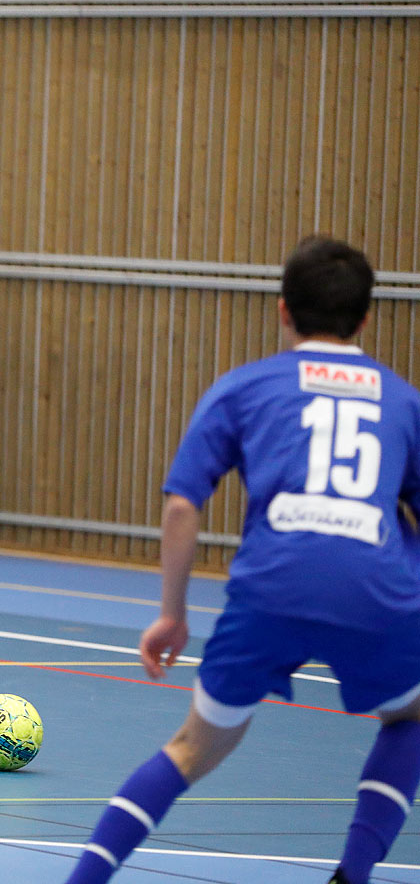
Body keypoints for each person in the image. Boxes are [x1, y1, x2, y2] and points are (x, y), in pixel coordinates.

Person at [64, 236, 420, 884]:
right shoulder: (403, 402)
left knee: (193, 748)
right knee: (411, 718)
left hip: (271, 587)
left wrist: (171, 615)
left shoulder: (245, 387)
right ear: (368, 318)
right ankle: (355, 872)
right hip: (377, 591)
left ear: (283, 310)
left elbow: (182, 506)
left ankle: (83, 879)